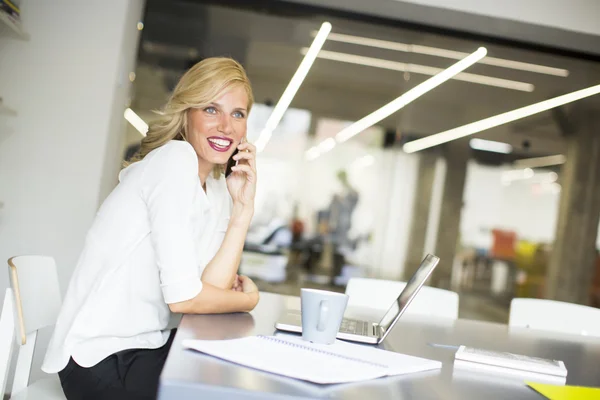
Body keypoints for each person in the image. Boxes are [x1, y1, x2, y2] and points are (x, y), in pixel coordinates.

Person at [41, 57, 259, 399]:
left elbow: (207, 290)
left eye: (238, 114)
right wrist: (246, 300)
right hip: (99, 357)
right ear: (187, 113)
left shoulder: (217, 189)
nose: (226, 127)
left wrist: (242, 210)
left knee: (225, 368)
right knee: (216, 384)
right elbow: (185, 298)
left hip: (146, 345)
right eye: (210, 109)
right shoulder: (174, 160)